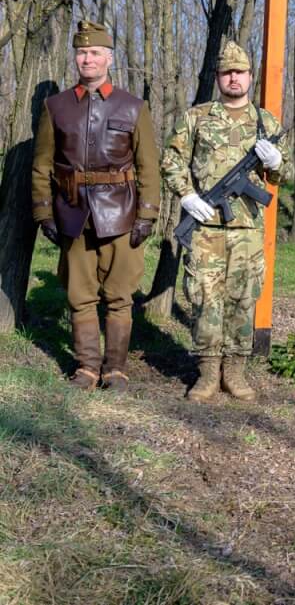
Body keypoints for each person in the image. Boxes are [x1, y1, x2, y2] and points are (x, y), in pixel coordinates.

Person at [31, 20, 161, 391]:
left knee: (120, 295)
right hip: (72, 213)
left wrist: (148, 214)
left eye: (94, 53)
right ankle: (87, 368)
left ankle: (116, 369)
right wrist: (44, 211)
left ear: (109, 58)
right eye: (81, 52)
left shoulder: (133, 107)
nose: (87, 59)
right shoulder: (55, 106)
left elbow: (148, 165)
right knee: (79, 294)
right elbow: (42, 164)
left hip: (122, 214)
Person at [162, 41, 290, 403]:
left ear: (250, 77)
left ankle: (235, 373)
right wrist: (187, 195)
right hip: (205, 228)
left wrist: (277, 162)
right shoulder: (196, 117)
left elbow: (286, 174)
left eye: (240, 72)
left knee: (243, 298)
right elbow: (172, 160)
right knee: (204, 299)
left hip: (248, 230)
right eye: (227, 72)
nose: (234, 78)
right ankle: (206, 374)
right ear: (218, 78)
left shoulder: (266, 122)